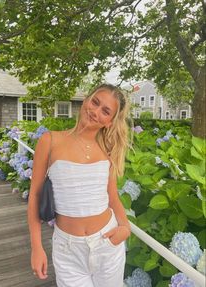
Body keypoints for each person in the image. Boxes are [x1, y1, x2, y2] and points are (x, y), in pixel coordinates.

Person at [27, 83, 132, 287]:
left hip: (107, 243)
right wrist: (36, 247)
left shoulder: (107, 148)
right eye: (95, 102)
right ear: (86, 100)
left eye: (105, 111)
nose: (95, 111)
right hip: (67, 249)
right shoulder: (50, 141)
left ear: (109, 122)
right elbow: (35, 196)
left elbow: (112, 197)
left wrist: (125, 227)